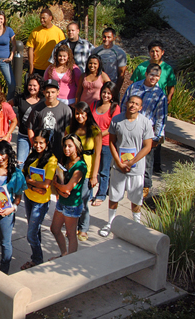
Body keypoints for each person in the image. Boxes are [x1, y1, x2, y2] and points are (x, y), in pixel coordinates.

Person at [99, 95, 153, 237]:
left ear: (140, 108)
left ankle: (136, 225)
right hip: (118, 166)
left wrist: (132, 161)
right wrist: (118, 162)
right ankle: (110, 223)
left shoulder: (145, 123)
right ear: (127, 104)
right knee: (114, 196)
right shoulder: (117, 120)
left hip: (136, 168)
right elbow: (111, 142)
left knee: (136, 199)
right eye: (131, 102)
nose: (133, 105)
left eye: (136, 104)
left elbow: (147, 146)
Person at [129, 40, 177, 175]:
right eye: (152, 51)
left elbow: (171, 85)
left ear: (162, 52)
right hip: (140, 107)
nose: (155, 54)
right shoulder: (142, 67)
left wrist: (169, 98)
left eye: (157, 51)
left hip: (157, 107)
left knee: (157, 134)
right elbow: (134, 84)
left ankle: (156, 164)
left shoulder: (167, 69)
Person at [120, 64, 168, 197]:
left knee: (147, 159)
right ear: (146, 74)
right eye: (152, 74)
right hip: (130, 126)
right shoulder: (134, 87)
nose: (154, 78)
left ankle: (145, 185)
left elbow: (161, 117)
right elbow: (124, 104)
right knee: (127, 154)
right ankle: (126, 180)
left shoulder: (160, 95)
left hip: (147, 131)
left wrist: (157, 136)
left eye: (157, 76)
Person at [0, 141, 26, 274]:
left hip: (7, 214)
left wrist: (12, 208)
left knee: (5, 243)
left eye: (2, 154)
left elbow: (18, 196)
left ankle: (4, 271)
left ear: (8, 154)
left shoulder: (16, 173)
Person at [20, 129, 57, 270]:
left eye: (41, 143)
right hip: (28, 197)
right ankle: (36, 259)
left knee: (31, 234)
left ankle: (38, 259)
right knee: (35, 230)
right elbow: (23, 176)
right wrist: (34, 186)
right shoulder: (32, 156)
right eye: (36, 142)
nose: (38, 146)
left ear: (47, 143)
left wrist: (30, 182)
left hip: (40, 202)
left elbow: (46, 185)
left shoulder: (51, 160)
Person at [65, 102, 101, 242]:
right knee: (73, 200)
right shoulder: (70, 129)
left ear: (87, 114)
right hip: (72, 168)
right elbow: (66, 148)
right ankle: (72, 227)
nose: (80, 116)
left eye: (82, 113)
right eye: (77, 113)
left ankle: (84, 228)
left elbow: (97, 154)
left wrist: (94, 175)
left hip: (87, 169)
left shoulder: (94, 130)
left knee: (83, 201)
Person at [50, 134, 87, 257]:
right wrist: (61, 191)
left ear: (77, 147)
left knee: (71, 235)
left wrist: (57, 186)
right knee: (55, 229)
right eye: (65, 146)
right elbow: (64, 189)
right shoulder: (66, 161)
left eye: (70, 146)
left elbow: (67, 188)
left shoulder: (80, 165)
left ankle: (70, 261)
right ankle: (64, 255)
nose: (66, 149)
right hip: (62, 201)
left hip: (72, 205)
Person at [90, 81, 121, 206]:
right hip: (91, 142)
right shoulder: (94, 104)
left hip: (106, 143)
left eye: (109, 93)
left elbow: (112, 127)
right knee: (92, 167)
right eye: (104, 92)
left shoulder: (115, 108)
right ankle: (89, 192)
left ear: (113, 95)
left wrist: (98, 135)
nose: (106, 95)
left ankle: (101, 194)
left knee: (104, 170)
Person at [27, 79, 73, 160]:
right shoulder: (37, 109)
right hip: (42, 149)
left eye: (53, 92)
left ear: (58, 92)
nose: (50, 95)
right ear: (44, 92)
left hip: (59, 148)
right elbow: (30, 128)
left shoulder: (65, 109)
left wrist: (66, 147)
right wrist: (35, 143)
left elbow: (69, 131)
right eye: (47, 92)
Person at [9, 74, 45, 168]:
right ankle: (21, 181)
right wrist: (15, 118)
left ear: (39, 86)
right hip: (23, 135)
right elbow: (7, 106)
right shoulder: (21, 98)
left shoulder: (44, 100)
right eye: (30, 85)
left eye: (34, 85)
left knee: (39, 163)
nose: (32, 88)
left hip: (39, 138)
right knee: (20, 163)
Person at [27, 8, 65, 76]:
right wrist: (31, 67)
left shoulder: (58, 32)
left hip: (53, 68)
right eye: (41, 18)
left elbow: (63, 49)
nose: (42, 20)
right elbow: (30, 49)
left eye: (44, 18)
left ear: (50, 18)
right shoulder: (35, 31)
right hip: (37, 67)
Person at [92, 28, 127, 99]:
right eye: (104, 37)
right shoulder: (96, 51)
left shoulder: (119, 53)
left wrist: (116, 89)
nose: (106, 39)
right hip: (98, 85)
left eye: (109, 37)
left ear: (114, 38)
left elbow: (121, 73)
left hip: (112, 84)